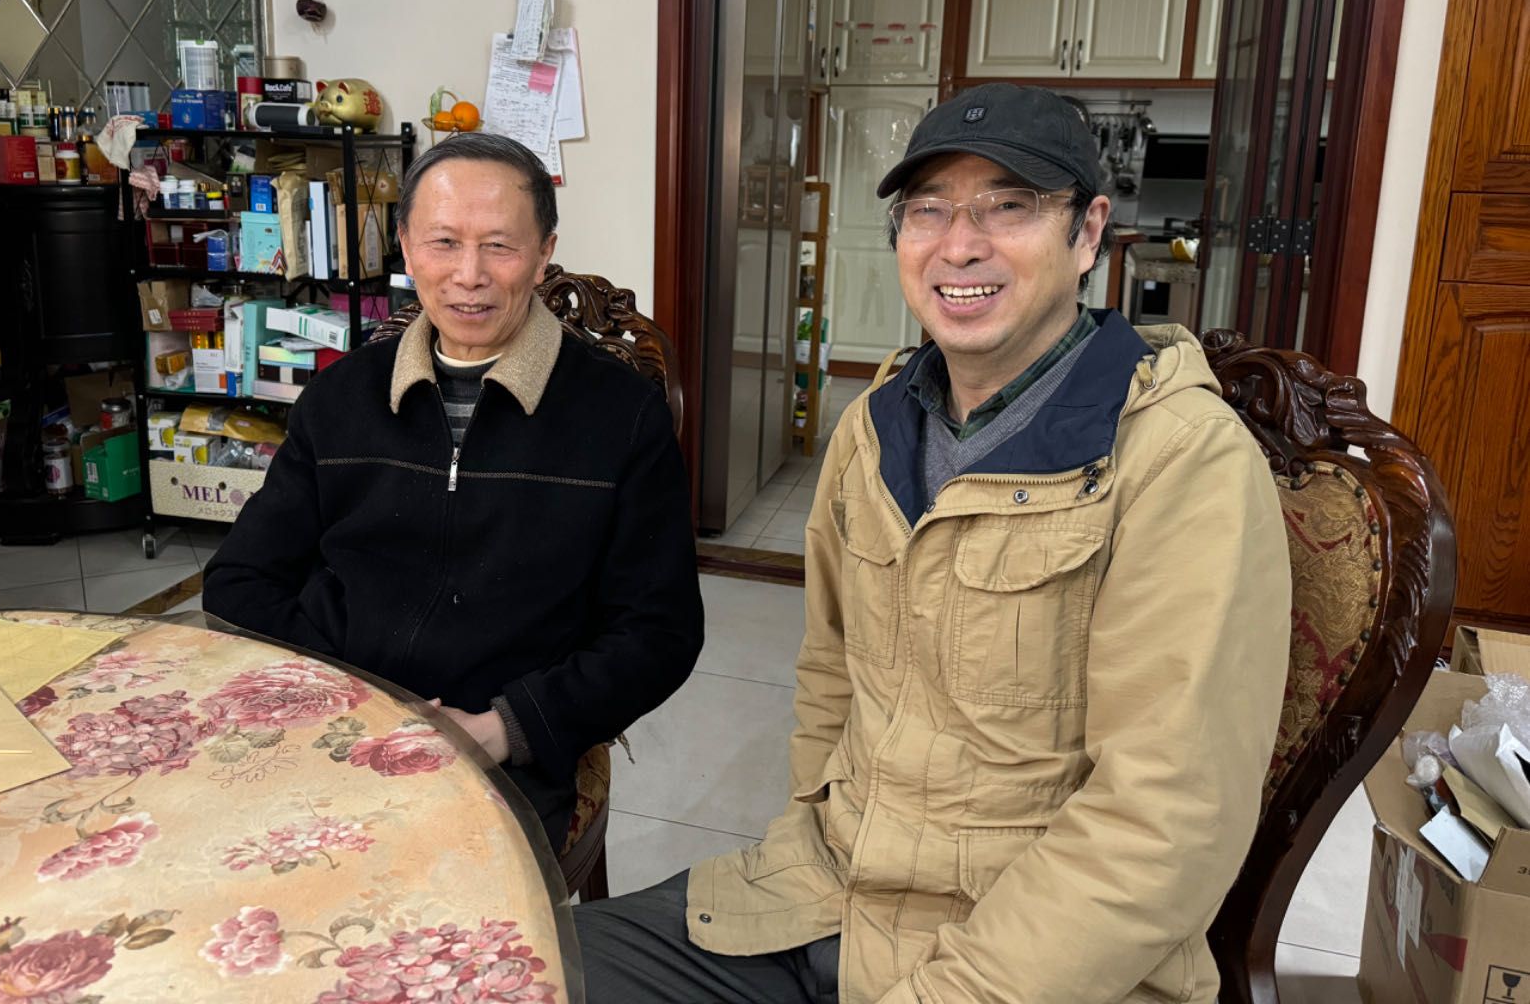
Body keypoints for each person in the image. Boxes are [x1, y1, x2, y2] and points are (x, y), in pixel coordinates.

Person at [575, 83, 1291, 1003]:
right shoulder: (873, 428)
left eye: (1009, 206)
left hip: (1025, 965)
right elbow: (830, 675)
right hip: (823, 898)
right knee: (510, 968)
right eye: (929, 210)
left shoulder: (1178, 459)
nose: (960, 245)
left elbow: (1163, 826)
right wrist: (810, 826)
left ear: (1088, 233)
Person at [204, 132, 704, 855]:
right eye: (443, 243)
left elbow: (659, 632)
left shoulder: (620, 417)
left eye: (499, 246)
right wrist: (354, 696)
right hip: (334, 716)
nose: (469, 276)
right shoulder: (341, 398)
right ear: (407, 249)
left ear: (543, 254)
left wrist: (505, 728)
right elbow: (240, 580)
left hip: (502, 751)